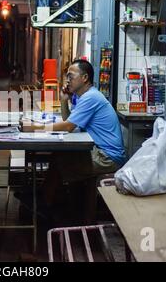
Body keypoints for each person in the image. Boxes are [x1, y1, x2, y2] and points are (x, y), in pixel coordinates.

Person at [20, 59, 126, 223]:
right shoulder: (83, 97)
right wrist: (64, 100)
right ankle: (48, 203)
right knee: (59, 156)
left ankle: (45, 206)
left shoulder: (90, 98)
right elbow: (70, 121)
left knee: (58, 160)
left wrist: (33, 127)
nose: (67, 80)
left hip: (107, 157)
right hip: (96, 151)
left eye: (71, 76)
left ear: (84, 78)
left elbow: (68, 126)